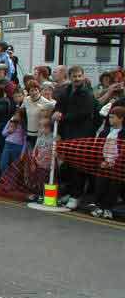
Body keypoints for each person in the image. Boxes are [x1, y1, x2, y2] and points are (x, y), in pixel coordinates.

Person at [53, 65, 95, 210]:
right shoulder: (67, 91)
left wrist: (62, 117)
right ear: (70, 77)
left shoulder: (87, 93)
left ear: (83, 76)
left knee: (78, 166)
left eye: (79, 76)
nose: (77, 79)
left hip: (82, 135)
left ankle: (76, 196)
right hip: (68, 134)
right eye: (74, 76)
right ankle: (71, 192)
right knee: (69, 165)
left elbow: (82, 114)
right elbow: (59, 105)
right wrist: (57, 112)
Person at [91, 107, 124, 219]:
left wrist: (116, 163)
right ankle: (98, 206)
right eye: (109, 117)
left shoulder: (123, 133)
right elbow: (98, 148)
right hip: (103, 164)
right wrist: (101, 161)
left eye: (112, 117)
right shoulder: (104, 132)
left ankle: (108, 208)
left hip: (116, 166)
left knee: (113, 188)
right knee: (100, 185)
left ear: (121, 119)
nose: (110, 119)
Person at [22, 81, 55, 148]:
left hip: (40, 135)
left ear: (39, 90)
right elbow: (21, 111)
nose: (34, 92)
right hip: (28, 134)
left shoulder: (46, 102)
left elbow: (51, 115)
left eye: (36, 90)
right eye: (31, 90)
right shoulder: (26, 100)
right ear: (28, 91)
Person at [1, 109, 26, 173]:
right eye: (15, 114)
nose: (16, 117)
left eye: (18, 115)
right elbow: (3, 133)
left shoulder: (23, 125)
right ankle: (5, 180)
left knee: (15, 167)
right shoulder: (10, 121)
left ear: (22, 117)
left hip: (17, 147)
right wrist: (9, 131)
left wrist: (22, 153)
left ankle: (12, 182)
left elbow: (25, 140)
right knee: (3, 164)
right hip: (7, 145)